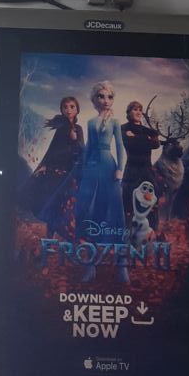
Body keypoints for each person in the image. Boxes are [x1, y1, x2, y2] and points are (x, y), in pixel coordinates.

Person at [74, 81, 127, 282]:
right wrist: (82, 169)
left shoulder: (115, 123)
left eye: (109, 97)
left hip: (109, 167)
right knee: (89, 211)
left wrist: (120, 169)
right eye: (101, 96)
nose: (105, 100)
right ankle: (90, 264)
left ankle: (121, 264)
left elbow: (120, 147)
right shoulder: (89, 122)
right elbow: (88, 147)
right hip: (91, 169)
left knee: (115, 211)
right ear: (95, 99)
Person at [20, 96, 84, 235]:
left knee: (66, 205)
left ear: (77, 110)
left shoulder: (78, 129)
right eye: (65, 107)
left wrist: (75, 140)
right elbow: (53, 149)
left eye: (72, 106)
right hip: (56, 171)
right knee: (53, 202)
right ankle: (50, 234)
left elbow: (81, 149)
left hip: (70, 171)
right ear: (61, 110)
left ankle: (64, 234)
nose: (68, 110)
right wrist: (44, 165)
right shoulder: (61, 128)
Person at [121, 101, 160, 224]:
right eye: (134, 109)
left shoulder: (149, 131)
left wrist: (137, 138)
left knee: (151, 201)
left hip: (147, 171)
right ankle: (129, 233)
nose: (138, 112)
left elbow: (156, 144)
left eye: (140, 110)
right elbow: (130, 144)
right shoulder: (124, 128)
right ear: (129, 112)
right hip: (132, 171)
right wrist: (146, 140)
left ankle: (152, 232)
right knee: (129, 201)